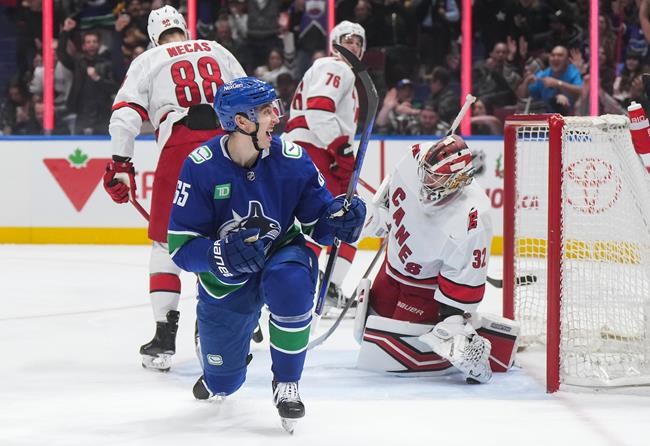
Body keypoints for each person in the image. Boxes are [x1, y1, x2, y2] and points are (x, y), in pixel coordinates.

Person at [167, 77, 366, 431]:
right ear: (241, 122)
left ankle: (287, 383)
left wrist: (339, 220)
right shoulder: (200, 166)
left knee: (290, 282)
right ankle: (218, 367)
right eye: (265, 111)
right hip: (225, 279)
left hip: (281, 253)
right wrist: (219, 255)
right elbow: (181, 248)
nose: (276, 117)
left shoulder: (292, 159)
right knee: (224, 383)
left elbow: (318, 225)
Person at [102, 5, 246, 372]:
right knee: (232, 236)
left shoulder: (149, 59)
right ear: (185, 28)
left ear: (154, 37)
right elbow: (252, 100)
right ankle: (232, 324)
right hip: (229, 147)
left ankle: (164, 336)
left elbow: (125, 116)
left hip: (181, 150)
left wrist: (121, 164)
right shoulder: (216, 49)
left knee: (166, 244)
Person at [359, 135, 498, 384]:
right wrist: (373, 216)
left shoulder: (472, 218)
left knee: (392, 357)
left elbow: (462, 282)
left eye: (436, 177)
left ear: (457, 181)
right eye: (427, 171)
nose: (426, 179)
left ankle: (473, 344)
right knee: (366, 333)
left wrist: (451, 320)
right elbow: (387, 198)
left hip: (423, 289)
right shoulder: (414, 157)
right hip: (392, 268)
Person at [284, 20, 364, 310]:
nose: (353, 46)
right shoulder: (336, 67)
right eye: (347, 40)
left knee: (328, 220)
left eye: (358, 42)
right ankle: (310, 285)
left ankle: (315, 285)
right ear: (334, 45)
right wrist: (341, 150)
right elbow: (318, 110)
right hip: (317, 151)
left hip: (310, 151)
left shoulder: (331, 69)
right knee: (346, 219)